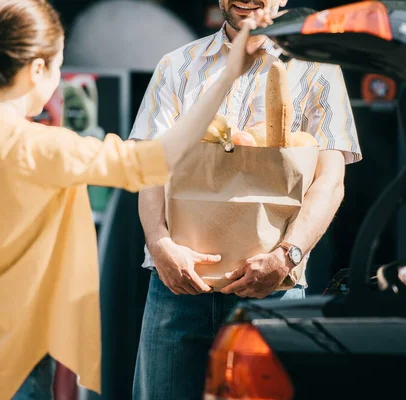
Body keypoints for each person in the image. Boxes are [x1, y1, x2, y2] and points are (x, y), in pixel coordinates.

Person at [0, 0, 270, 399]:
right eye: (59, 65)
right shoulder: (43, 150)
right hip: (10, 376)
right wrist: (228, 74)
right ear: (37, 70)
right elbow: (155, 159)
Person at [130, 1, 363, 399]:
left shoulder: (318, 70)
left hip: (274, 289)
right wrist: (160, 243)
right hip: (177, 286)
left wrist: (286, 256)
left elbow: (329, 182)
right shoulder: (177, 65)